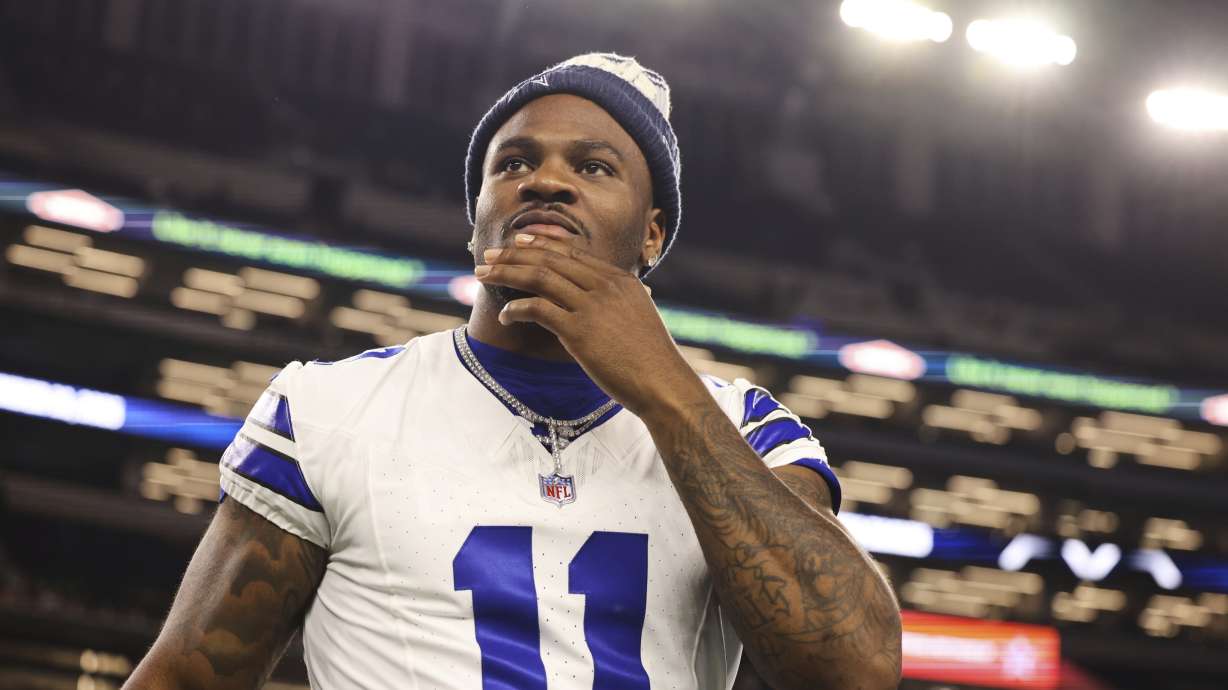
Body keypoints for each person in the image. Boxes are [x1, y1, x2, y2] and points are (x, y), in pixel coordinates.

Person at [125, 53, 901, 690]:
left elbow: (854, 669)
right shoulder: (329, 406)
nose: (545, 181)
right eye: (514, 163)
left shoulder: (748, 428)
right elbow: (186, 678)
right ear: (476, 225)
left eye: (595, 167)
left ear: (652, 235)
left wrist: (665, 392)